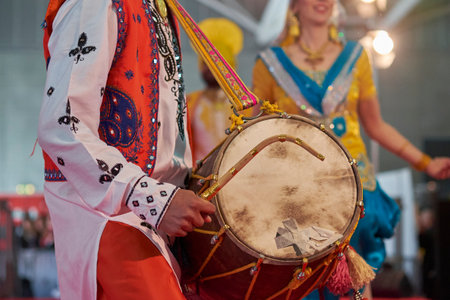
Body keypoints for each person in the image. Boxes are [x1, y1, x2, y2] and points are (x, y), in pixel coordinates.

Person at [252, 0, 450, 299]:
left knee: (355, 282)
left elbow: (376, 126)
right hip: (296, 190)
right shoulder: (269, 64)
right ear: (293, 5)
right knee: (299, 279)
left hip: (353, 186)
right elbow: (257, 132)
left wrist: (426, 163)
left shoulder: (356, 57)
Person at [38, 0, 216, 299]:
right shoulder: (94, 4)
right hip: (107, 213)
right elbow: (61, 125)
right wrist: (153, 198)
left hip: (157, 215)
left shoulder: (162, 7)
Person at [187, 18, 244, 163]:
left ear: (230, 66)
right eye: (206, 63)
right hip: (201, 181)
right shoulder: (189, 103)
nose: (211, 69)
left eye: (216, 64)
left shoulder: (249, 103)